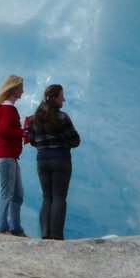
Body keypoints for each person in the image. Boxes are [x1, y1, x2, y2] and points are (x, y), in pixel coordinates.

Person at [27, 84, 80, 240]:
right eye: (62, 95)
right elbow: (74, 141)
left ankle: (45, 233)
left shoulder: (36, 118)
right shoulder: (62, 117)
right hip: (61, 159)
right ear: (56, 98)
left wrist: (43, 146)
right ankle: (56, 235)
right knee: (59, 197)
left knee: (47, 197)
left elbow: (31, 139)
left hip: (42, 159)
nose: (64, 99)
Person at [0, 75, 27, 236]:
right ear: (13, 89)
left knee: (17, 194)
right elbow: (4, 130)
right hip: (6, 155)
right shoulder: (8, 109)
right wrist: (22, 132)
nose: (23, 91)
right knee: (8, 193)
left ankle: (15, 227)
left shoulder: (5, 109)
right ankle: (3, 227)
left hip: (9, 155)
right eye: (21, 88)